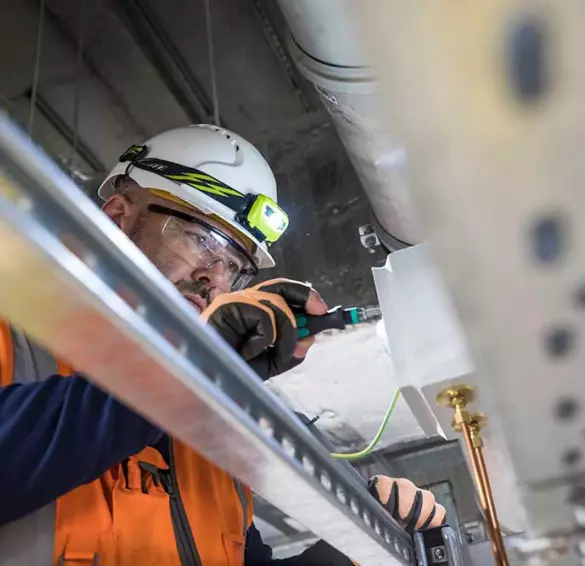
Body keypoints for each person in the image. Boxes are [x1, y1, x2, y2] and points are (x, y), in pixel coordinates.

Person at [0, 124, 444, 565]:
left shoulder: (211, 441)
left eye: (234, 266)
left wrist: (352, 554)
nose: (214, 277)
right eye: (200, 239)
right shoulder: (18, 336)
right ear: (119, 217)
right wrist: (187, 368)